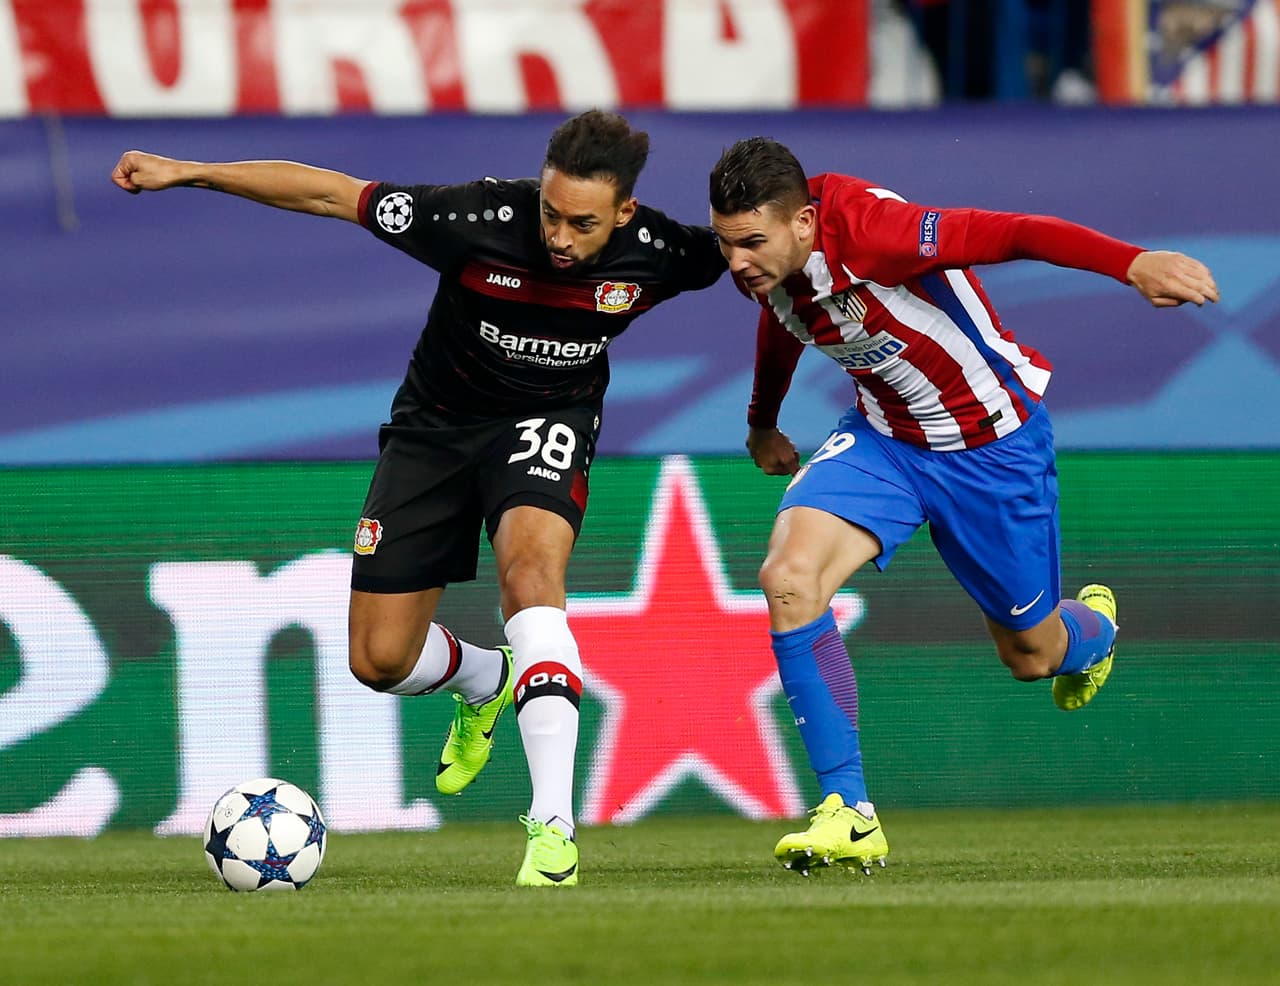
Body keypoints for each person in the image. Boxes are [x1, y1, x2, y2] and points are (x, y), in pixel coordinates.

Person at [112, 110, 727, 886]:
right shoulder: (473, 219)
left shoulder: (665, 253)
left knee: (533, 576)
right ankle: (484, 679)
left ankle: (554, 829)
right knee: (379, 659)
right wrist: (189, 169)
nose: (560, 238)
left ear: (624, 214)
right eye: (550, 212)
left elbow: (772, 253)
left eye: (582, 224)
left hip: (545, 424)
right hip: (432, 433)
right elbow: (331, 194)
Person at [707, 136, 1218, 876]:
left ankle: (1095, 627)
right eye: (725, 244)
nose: (736, 262)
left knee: (1031, 655)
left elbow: (1013, 232)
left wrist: (1132, 263)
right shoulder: (772, 264)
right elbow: (785, 318)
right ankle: (850, 811)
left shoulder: (879, 234)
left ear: (806, 225)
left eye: (750, 243)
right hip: (886, 444)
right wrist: (762, 421)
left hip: (991, 450)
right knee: (790, 578)